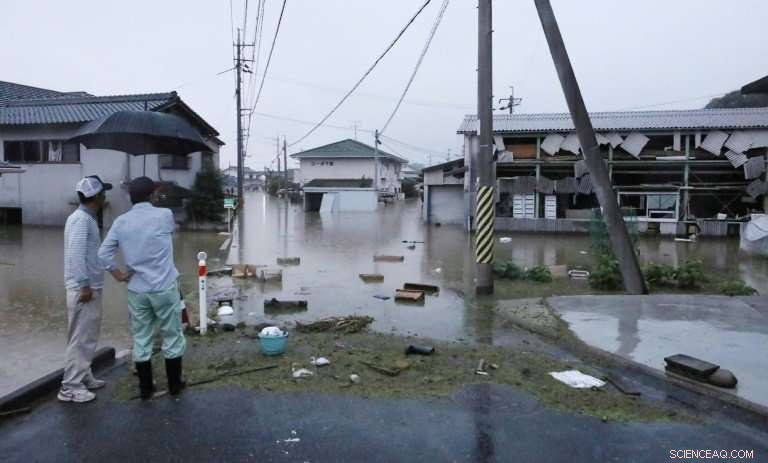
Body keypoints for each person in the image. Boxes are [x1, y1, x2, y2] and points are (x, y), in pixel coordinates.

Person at [98, 176, 186, 399]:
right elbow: (169, 233)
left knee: (141, 337)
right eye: (156, 193)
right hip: (164, 286)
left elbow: (102, 254)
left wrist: (118, 274)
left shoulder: (120, 222)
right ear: (153, 194)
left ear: (130, 196)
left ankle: (146, 388)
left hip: (137, 289)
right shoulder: (165, 215)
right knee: (172, 336)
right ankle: (175, 385)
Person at [60, 175, 122, 403]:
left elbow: (89, 255)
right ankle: (70, 386)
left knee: (86, 335)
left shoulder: (86, 218)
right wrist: (84, 284)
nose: (106, 196)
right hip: (83, 289)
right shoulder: (81, 220)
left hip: (89, 287)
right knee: (80, 337)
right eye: (103, 192)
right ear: (96, 196)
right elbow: (76, 255)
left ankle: (84, 375)